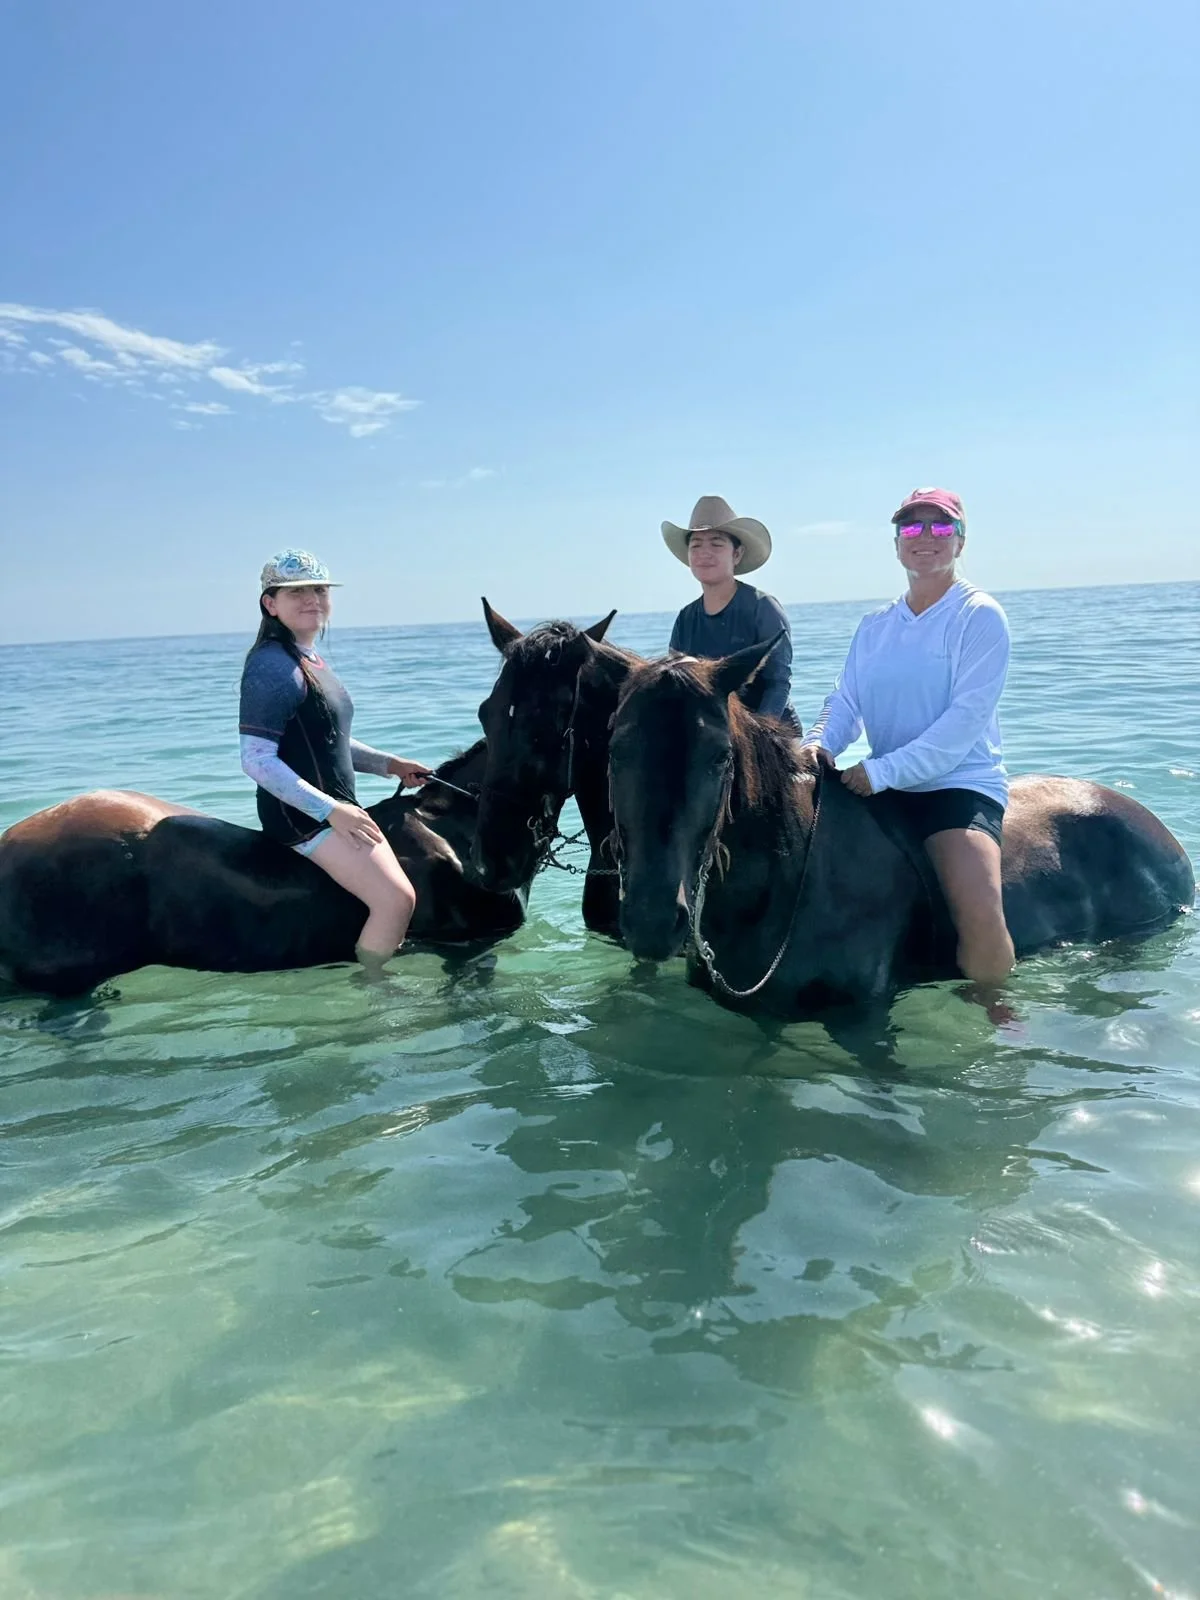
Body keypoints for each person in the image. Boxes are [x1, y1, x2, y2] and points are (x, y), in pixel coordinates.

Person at [802, 488, 1015, 985]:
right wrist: (817, 745)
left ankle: (995, 1007)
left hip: (958, 786)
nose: (926, 537)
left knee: (979, 912)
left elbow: (963, 724)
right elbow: (846, 702)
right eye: (912, 527)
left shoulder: (979, 615)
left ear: (960, 543)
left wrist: (879, 771)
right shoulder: (874, 625)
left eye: (941, 527)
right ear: (897, 543)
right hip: (885, 787)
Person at [238, 549, 432, 971]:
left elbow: (329, 739)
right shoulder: (272, 666)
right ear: (270, 604)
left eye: (319, 589)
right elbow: (255, 759)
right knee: (397, 900)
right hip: (302, 816)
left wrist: (389, 765)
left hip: (331, 807)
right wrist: (331, 812)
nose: (312, 599)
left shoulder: (307, 659)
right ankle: (376, 992)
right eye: (296, 592)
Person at [662, 495, 800, 729]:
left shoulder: (763, 607)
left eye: (716, 544)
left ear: (737, 554)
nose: (705, 553)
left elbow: (778, 684)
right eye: (696, 545)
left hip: (772, 734)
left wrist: (759, 734)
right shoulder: (686, 619)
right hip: (712, 738)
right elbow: (679, 686)